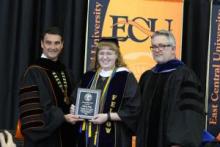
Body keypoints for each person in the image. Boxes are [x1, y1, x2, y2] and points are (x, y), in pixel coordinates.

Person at [136, 30, 205, 147]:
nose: (157, 50)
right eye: (154, 46)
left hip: (172, 143)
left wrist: (180, 142)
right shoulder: (147, 76)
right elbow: (137, 111)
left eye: (162, 46)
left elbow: (190, 113)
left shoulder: (185, 75)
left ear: (173, 49)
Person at [72, 37, 141, 147]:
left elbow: (134, 109)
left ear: (117, 55)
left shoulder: (126, 77)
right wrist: (74, 108)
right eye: (101, 53)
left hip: (114, 135)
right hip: (87, 136)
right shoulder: (88, 76)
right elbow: (76, 100)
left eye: (109, 53)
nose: (105, 57)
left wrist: (108, 116)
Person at [18, 26, 81, 147]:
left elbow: (72, 98)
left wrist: (75, 108)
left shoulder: (67, 71)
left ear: (62, 45)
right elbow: (33, 110)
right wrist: (62, 117)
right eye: (48, 43)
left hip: (67, 135)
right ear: (42, 44)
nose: (53, 47)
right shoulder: (33, 72)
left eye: (57, 43)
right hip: (44, 141)